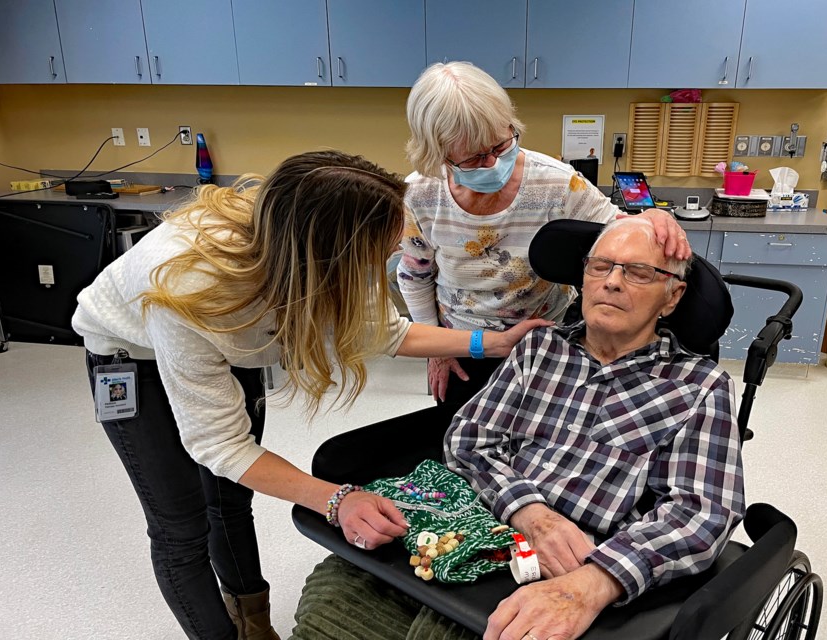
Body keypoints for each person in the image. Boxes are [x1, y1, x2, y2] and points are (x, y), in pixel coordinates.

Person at [73, 151, 547, 640]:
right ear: (326, 255)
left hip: (229, 340)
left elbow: (383, 332)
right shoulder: (189, 287)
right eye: (376, 255)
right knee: (182, 528)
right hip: (132, 358)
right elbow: (219, 445)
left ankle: (253, 623)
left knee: (229, 504)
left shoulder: (315, 241)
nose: (385, 267)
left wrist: (491, 343)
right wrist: (336, 499)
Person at [292, 217, 744, 640]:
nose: (611, 281)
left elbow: (701, 513)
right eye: (600, 266)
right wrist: (529, 512)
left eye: (639, 272)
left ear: (673, 296)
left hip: (571, 564)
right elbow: (470, 439)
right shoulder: (540, 348)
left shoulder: (698, 386)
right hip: (476, 520)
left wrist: (595, 582)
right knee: (328, 603)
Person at [397, 61, 691, 419]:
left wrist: (652, 218)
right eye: (474, 158)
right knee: (465, 440)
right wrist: (436, 347)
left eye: (500, 145)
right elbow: (415, 275)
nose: (492, 163)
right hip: (463, 345)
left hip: (548, 342)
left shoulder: (556, 183)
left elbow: (620, 231)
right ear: (438, 153)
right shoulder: (420, 194)